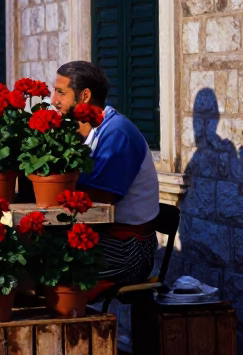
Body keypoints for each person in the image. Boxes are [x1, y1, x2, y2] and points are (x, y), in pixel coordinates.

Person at [50, 61, 160, 290]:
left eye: (61, 92)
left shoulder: (117, 133)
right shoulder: (89, 132)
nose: (54, 101)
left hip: (129, 249)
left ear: (85, 95)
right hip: (107, 237)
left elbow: (98, 201)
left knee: (46, 265)